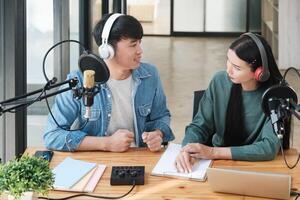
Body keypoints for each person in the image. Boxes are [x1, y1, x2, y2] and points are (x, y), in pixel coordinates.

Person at [44, 13, 174, 152]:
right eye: (133, 45)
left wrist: (157, 134)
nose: (140, 51)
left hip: (138, 157)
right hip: (96, 160)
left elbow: (161, 116)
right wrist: (106, 144)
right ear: (108, 50)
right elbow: (52, 136)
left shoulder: (150, 75)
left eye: (139, 43)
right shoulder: (80, 80)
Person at [175, 33, 291, 173]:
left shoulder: (275, 95)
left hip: (256, 167)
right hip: (216, 165)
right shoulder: (219, 81)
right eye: (228, 60)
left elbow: (268, 148)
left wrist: (213, 152)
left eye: (237, 67)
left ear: (260, 72)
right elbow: (199, 125)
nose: (228, 70)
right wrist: (186, 150)